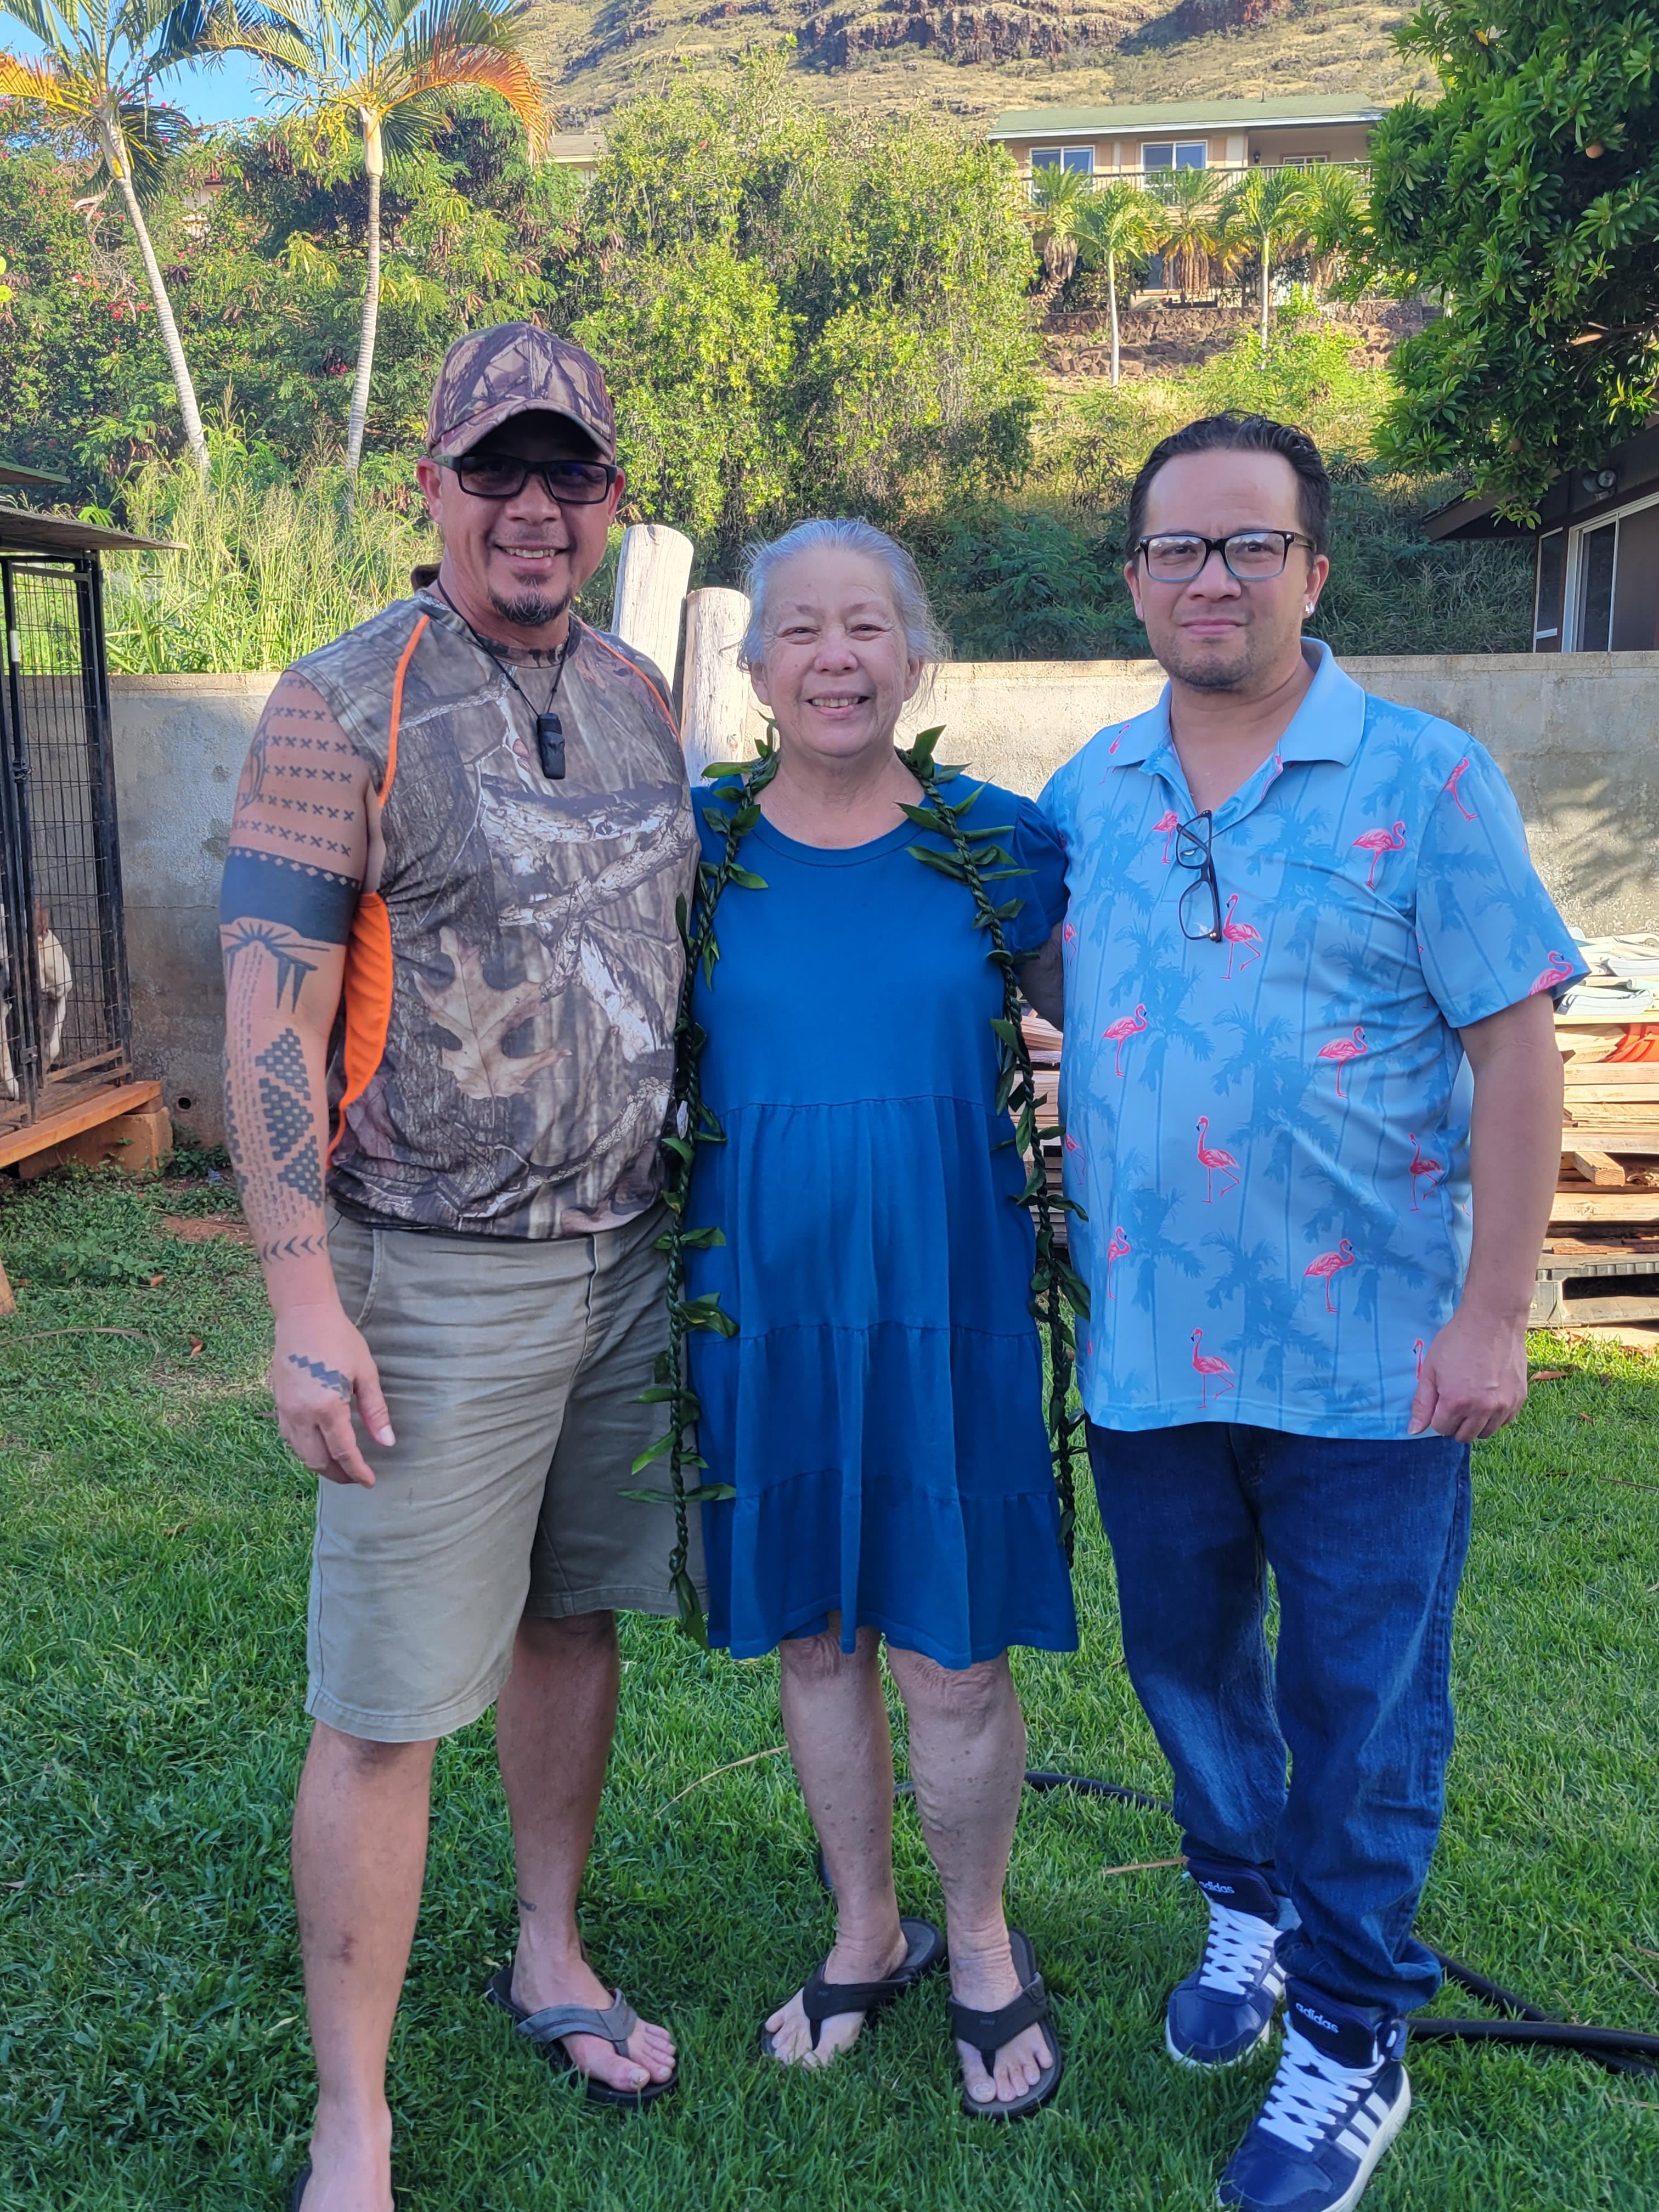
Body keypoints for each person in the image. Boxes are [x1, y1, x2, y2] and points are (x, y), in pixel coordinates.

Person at [1029, 414, 1581, 2212]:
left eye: (1250, 546)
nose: (1213, 576)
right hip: (1148, 1353)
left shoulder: (1428, 781)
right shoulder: (1087, 796)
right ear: (1132, 579)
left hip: (1373, 1367)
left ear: (1314, 571)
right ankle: (1245, 1914)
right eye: (1179, 547)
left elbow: (1514, 1045)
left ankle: (1352, 2030)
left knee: (1362, 1710)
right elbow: (1035, 984)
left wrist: (1497, 1312)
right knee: (1188, 1676)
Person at [218, 324, 702, 2212]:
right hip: (431, 1275)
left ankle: (550, 1951)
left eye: (567, 474)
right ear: (426, 485)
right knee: (390, 1698)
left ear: (608, 502)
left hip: (630, 1263)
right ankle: (357, 2116)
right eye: (493, 470)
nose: (531, 507)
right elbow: (270, 1004)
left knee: (575, 1619)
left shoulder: (651, 694)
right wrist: (302, 1305)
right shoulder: (344, 699)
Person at [681, 518, 1076, 2117]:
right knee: (816, 1635)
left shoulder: (1000, 849)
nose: (835, 657)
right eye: (801, 631)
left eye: (867, 628)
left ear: (915, 657)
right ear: (758, 665)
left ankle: (980, 1943)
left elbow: (1121, 1023)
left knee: (954, 1653)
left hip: (949, 1297)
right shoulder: (694, 845)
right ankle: (867, 1929)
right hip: (761, 1300)